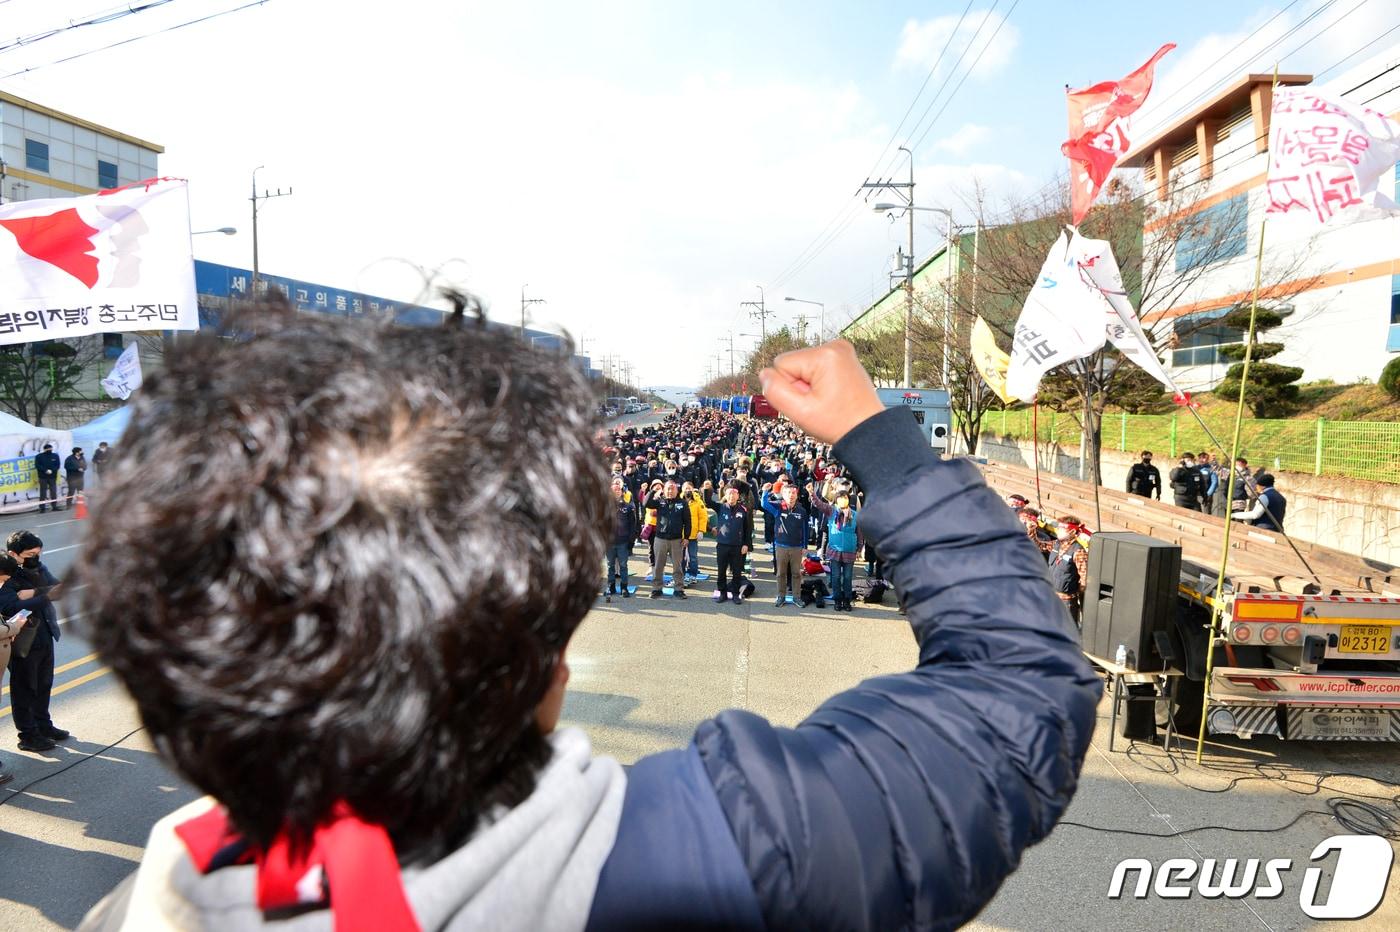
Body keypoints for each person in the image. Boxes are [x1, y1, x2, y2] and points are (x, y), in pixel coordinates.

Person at [76, 311, 1098, 931]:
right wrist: (881, 438)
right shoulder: (729, 852)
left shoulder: (143, 903)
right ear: (546, 660)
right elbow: (1018, 691)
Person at [2, 530, 67, 752]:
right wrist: (44, 595)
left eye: (38, 553)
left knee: (44, 684)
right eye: (30, 554)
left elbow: (59, 589)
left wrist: (34, 593)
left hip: (45, 633)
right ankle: (28, 735)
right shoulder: (7, 573)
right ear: (14, 554)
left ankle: (44, 725)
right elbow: (10, 607)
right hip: (23, 640)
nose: (35, 557)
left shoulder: (37, 567)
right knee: (24, 688)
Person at [809, 483, 862, 612]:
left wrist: (859, 548)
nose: (843, 500)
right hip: (834, 550)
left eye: (846, 498)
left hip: (849, 551)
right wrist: (812, 493)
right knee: (836, 577)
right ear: (836, 500)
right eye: (840, 498)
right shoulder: (831, 511)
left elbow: (859, 532)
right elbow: (819, 504)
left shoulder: (855, 515)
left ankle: (847, 600)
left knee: (848, 577)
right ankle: (838, 600)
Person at [703, 480, 753, 604]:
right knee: (721, 571)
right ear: (726, 495)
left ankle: (736, 594)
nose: (731, 496)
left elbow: (747, 529)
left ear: (738, 496)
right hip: (722, 545)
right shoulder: (720, 507)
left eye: (734, 494)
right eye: (729, 493)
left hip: (737, 546)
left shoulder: (743, 510)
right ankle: (722, 593)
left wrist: (746, 544)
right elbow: (708, 502)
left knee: (736, 571)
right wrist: (706, 489)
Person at [761, 482, 809, 607]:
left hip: (796, 547)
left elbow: (805, 530)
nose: (791, 495)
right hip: (781, 546)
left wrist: (805, 546)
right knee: (781, 573)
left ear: (797, 495)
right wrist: (765, 492)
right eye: (788, 493)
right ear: (783, 494)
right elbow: (764, 504)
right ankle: (780, 596)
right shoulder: (778, 507)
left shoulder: (802, 511)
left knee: (796, 573)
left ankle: (796, 597)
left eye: (793, 493)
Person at [648, 479, 690, 600]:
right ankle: (656, 589)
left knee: (677, 566)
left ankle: (678, 589)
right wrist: (653, 491)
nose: (670, 491)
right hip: (660, 539)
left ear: (677, 490)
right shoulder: (659, 502)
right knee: (658, 566)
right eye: (668, 488)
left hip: (677, 540)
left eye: (672, 488)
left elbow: (687, 521)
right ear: (664, 490)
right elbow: (646, 503)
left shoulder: (682, 503)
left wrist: (686, 537)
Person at [1048, 516, 1090, 626]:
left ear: (1071, 531)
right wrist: (1031, 530)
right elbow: (1038, 545)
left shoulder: (1078, 551)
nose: (1058, 529)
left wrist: (1075, 594)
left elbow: (1084, 578)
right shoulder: (1056, 544)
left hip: (1066, 601)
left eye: (1061, 528)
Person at [606, 478, 637, 600]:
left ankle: (624, 587)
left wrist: (631, 541)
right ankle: (611, 586)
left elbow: (632, 525)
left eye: (619, 490)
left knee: (623, 566)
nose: (617, 492)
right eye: (614, 490)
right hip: (609, 543)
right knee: (610, 566)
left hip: (623, 542)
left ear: (622, 492)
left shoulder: (628, 507)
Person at [682, 482, 708, 585]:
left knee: (693, 557)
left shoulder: (698, 502)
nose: (687, 490)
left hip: (693, 534)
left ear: (693, 489)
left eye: (689, 488)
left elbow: (703, 517)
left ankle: (693, 574)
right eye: (685, 488)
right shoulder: (679, 500)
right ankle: (682, 574)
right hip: (681, 535)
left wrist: (701, 530)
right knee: (681, 557)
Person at [34, 443, 60, 513]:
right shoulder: (39, 456)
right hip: (43, 477)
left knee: (53, 492)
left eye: (51, 448)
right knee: (43, 492)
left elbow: (57, 465)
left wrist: (52, 470)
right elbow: (37, 465)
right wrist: (45, 470)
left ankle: (54, 506)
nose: (50, 450)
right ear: (45, 449)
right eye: (48, 449)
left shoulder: (55, 456)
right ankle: (42, 508)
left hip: (53, 476)